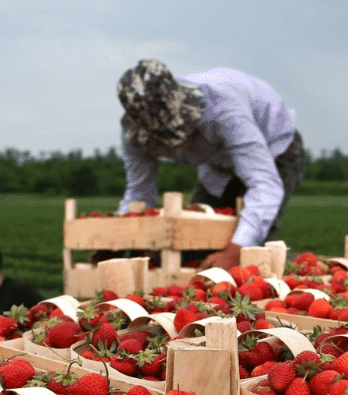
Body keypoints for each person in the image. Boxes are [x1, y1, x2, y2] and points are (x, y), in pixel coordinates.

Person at [116, 59, 309, 270]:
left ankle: (297, 265)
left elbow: (265, 185)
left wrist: (235, 251)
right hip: (216, 166)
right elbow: (139, 193)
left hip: (274, 152)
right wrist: (115, 241)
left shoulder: (224, 107)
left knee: (249, 257)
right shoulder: (135, 134)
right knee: (192, 247)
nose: (178, 144)